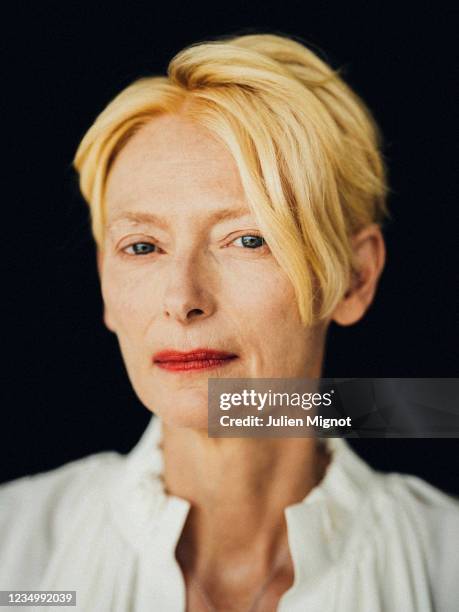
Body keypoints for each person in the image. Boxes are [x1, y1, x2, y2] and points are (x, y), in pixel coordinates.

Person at [1, 32, 458, 612]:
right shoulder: (14, 562)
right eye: (142, 247)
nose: (182, 298)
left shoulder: (447, 568)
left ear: (354, 278)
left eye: (247, 239)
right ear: (105, 286)